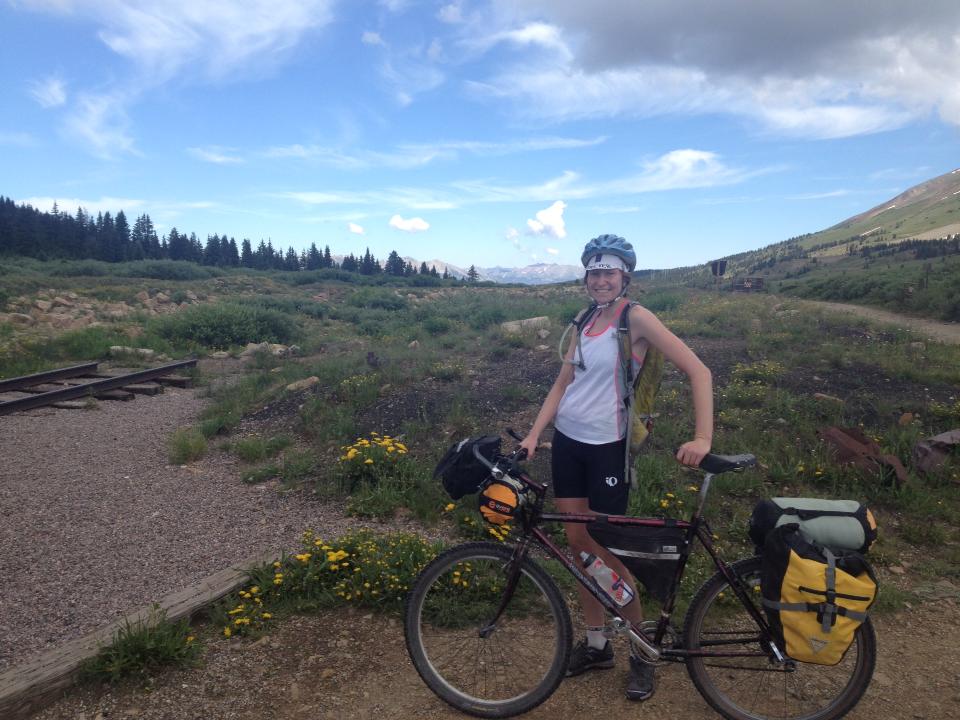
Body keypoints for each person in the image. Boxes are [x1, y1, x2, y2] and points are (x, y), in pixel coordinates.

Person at [519, 234, 713, 701]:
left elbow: (699, 371)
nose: (601, 279)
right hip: (569, 444)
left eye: (609, 272)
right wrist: (533, 434)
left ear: (625, 276)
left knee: (607, 551)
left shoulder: (636, 318)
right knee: (580, 545)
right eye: (593, 272)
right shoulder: (585, 319)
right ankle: (597, 643)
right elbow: (562, 383)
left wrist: (703, 438)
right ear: (586, 277)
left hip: (608, 449)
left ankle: (643, 652)